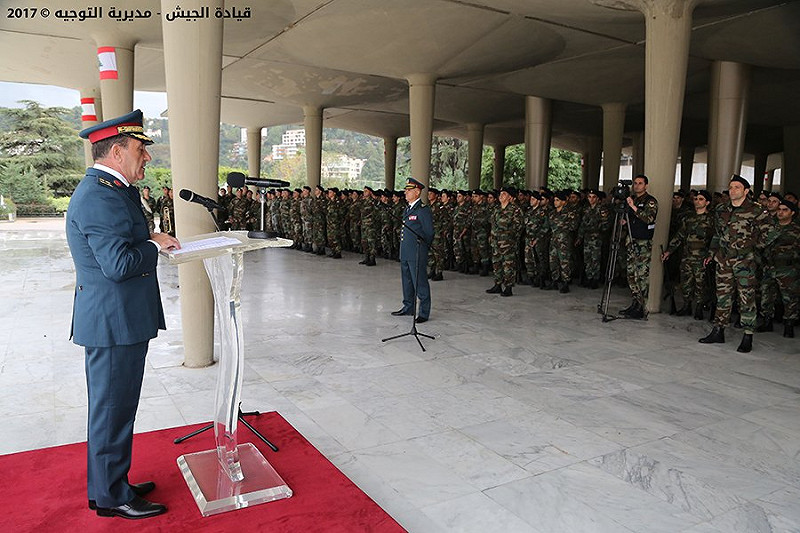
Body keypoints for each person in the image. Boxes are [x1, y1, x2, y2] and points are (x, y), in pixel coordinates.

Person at [66, 110, 180, 519]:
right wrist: (154, 246)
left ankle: (110, 485)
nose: (146, 157)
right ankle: (112, 497)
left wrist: (149, 237)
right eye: (139, 149)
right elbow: (117, 264)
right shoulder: (100, 196)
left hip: (119, 318)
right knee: (112, 410)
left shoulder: (113, 189)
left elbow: (122, 240)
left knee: (115, 408)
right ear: (116, 152)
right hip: (112, 323)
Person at [699, 175, 772, 352]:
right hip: (724, 260)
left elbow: (769, 233)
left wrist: (751, 247)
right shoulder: (721, 209)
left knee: (746, 297)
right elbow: (717, 234)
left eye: (737, 187)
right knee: (722, 296)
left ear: (746, 191)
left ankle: (748, 334)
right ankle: (718, 330)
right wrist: (712, 253)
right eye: (731, 187)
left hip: (744, 262)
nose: (732, 190)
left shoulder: (756, 210)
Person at [391, 178, 434, 322]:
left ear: (417, 192)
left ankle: (423, 313)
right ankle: (408, 307)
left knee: (420, 282)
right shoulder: (408, 209)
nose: (405, 193)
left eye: (408, 190)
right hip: (406, 252)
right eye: (406, 190)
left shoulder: (422, 210)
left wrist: (422, 248)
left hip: (416, 252)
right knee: (407, 282)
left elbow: (429, 232)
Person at [619, 174, 658, 319]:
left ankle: (642, 307)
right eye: (635, 183)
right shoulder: (633, 200)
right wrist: (625, 221)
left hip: (643, 243)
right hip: (631, 240)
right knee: (631, 275)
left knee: (641, 275)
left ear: (646, 185)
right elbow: (631, 218)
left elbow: (649, 218)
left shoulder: (650, 201)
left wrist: (633, 207)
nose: (637, 186)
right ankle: (635, 303)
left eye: (640, 183)